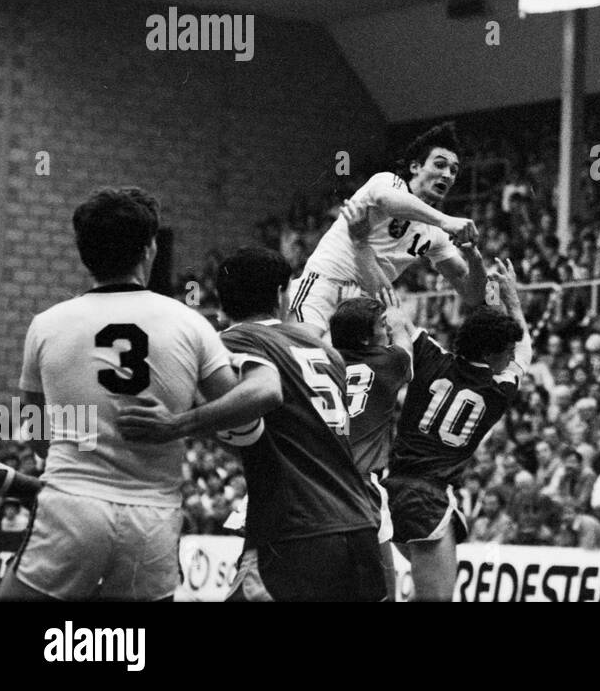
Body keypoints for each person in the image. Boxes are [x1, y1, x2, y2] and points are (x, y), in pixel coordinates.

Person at [0, 189, 279, 603]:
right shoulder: (189, 323)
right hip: (152, 518)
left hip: (72, 506)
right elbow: (240, 418)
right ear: (149, 250)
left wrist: (90, 430)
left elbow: (39, 435)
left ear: (83, 254)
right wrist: (182, 424)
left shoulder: (45, 325)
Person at [206, 247, 384, 601]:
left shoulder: (234, 341)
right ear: (279, 294)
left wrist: (180, 424)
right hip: (359, 523)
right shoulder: (326, 351)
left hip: (296, 531)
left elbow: (256, 406)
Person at [386, 258, 530, 601]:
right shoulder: (498, 390)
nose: (512, 355)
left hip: (392, 489)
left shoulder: (431, 356)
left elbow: (397, 315)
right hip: (428, 496)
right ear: (491, 353)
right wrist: (511, 299)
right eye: (506, 351)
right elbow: (525, 347)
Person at [289, 122, 484, 333]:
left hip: (364, 307)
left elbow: (472, 295)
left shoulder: (435, 234)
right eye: (439, 165)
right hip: (326, 283)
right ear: (415, 167)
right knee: (307, 351)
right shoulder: (388, 182)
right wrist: (446, 220)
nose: (447, 175)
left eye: (453, 171)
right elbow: (386, 200)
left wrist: (474, 256)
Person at [329, 294, 416, 599]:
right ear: (367, 339)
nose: (386, 330)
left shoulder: (321, 363)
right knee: (381, 592)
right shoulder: (388, 362)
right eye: (381, 326)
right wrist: (396, 315)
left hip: (314, 484)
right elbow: (406, 343)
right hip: (360, 488)